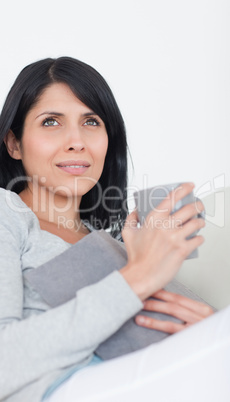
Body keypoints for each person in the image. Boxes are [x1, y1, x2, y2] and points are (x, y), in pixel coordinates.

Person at [0, 57, 229, 402]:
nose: (77, 141)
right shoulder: (7, 213)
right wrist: (137, 277)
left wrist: (204, 329)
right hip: (67, 385)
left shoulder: (120, 243)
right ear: (14, 144)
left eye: (91, 121)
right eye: (51, 122)